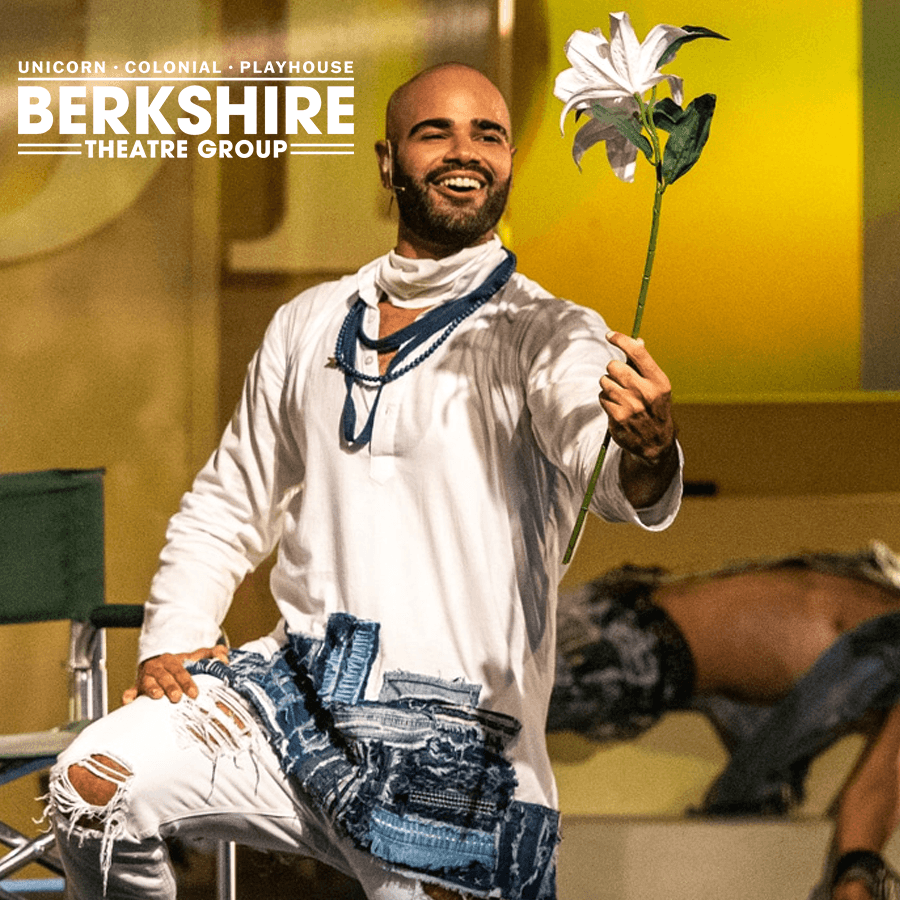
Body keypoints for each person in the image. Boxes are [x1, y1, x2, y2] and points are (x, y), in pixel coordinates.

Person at [47, 63, 682, 900]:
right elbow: (228, 500)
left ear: (510, 164)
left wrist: (647, 446)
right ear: (388, 163)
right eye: (435, 133)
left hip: (451, 746)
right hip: (292, 701)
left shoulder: (550, 332)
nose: (466, 152)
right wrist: (175, 631)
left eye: (488, 135)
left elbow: (600, 455)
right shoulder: (310, 322)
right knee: (92, 785)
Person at [550, 542, 900, 900]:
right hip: (620, 654)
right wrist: (857, 874)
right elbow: (878, 785)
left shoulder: (873, 592)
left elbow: (764, 688)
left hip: (617, 621)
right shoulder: (885, 632)